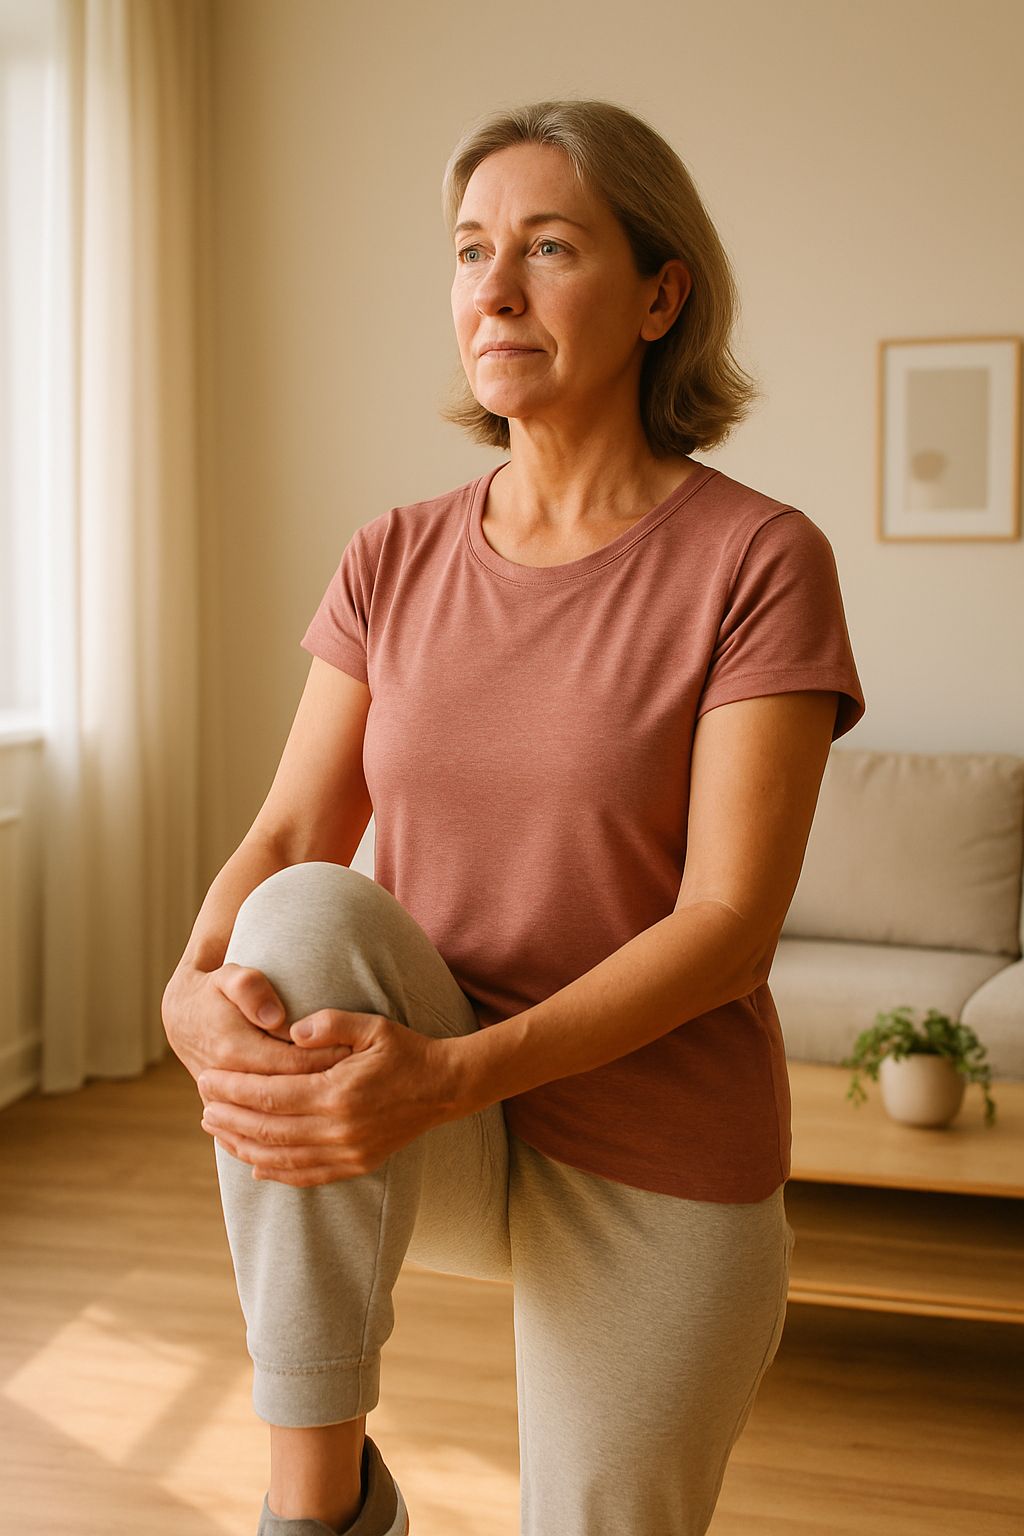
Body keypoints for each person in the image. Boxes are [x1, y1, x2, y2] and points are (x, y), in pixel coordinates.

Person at [163, 99, 863, 1536]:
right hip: (427, 1096)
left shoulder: (757, 559)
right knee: (298, 915)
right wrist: (181, 989)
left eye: (549, 247)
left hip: (650, 1135)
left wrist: (454, 1073)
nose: (494, 287)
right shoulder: (396, 553)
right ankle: (323, 1501)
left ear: (662, 294)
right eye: (472, 250)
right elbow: (295, 831)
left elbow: (728, 931)